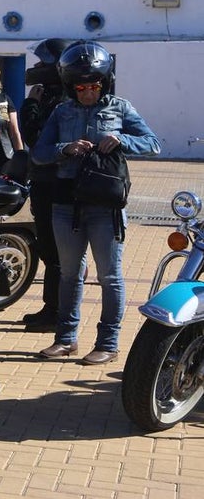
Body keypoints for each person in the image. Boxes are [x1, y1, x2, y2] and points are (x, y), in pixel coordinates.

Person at [33, 41, 160, 366]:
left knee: (110, 276)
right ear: (70, 85)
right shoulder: (62, 111)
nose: (88, 92)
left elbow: (153, 144)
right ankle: (65, 339)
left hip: (106, 206)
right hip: (66, 204)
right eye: (81, 86)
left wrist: (123, 139)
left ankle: (108, 342)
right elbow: (39, 152)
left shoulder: (120, 107)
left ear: (104, 82)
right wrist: (66, 148)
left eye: (93, 85)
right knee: (69, 274)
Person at [18, 38, 73, 329]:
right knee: (50, 250)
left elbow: (34, 138)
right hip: (45, 182)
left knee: (55, 252)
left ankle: (57, 312)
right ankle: (52, 308)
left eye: (42, 62)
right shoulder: (57, 95)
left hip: (54, 183)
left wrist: (30, 104)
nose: (37, 67)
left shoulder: (58, 101)